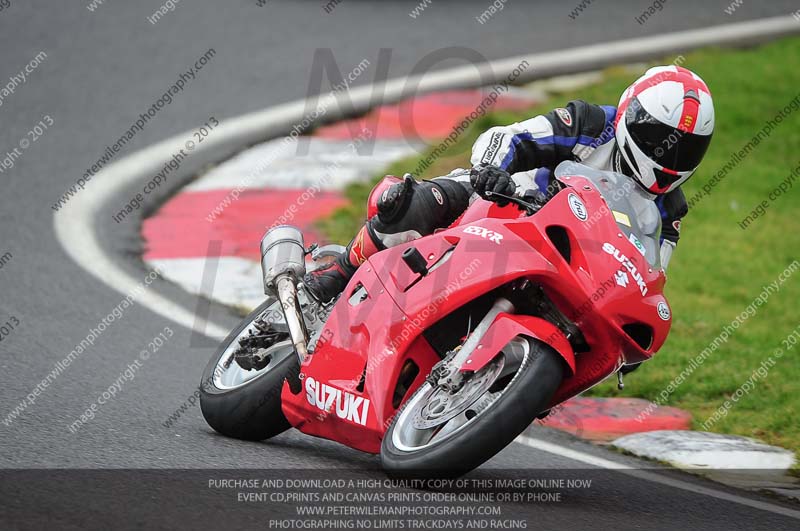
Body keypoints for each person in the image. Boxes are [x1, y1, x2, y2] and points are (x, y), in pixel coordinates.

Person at [304, 65, 715, 303]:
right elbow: (511, 137)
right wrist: (491, 170)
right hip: (503, 204)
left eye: (684, 149)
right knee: (412, 203)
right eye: (659, 139)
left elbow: (648, 280)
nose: (667, 156)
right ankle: (339, 274)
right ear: (630, 115)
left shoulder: (670, 212)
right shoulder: (591, 124)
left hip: (565, 268)